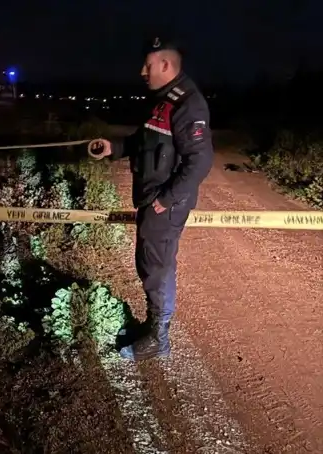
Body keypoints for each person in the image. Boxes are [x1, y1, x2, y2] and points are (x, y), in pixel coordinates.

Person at [87, 37, 214, 361]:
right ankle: (153, 328)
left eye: (148, 65)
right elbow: (143, 142)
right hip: (152, 199)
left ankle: (159, 339)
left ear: (165, 65)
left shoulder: (188, 104)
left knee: (157, 269)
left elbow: (199, 161)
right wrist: (114, 147)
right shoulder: (161, 102)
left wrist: (167, 199)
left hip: (164, 205)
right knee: (148, 265)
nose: (142, 72)